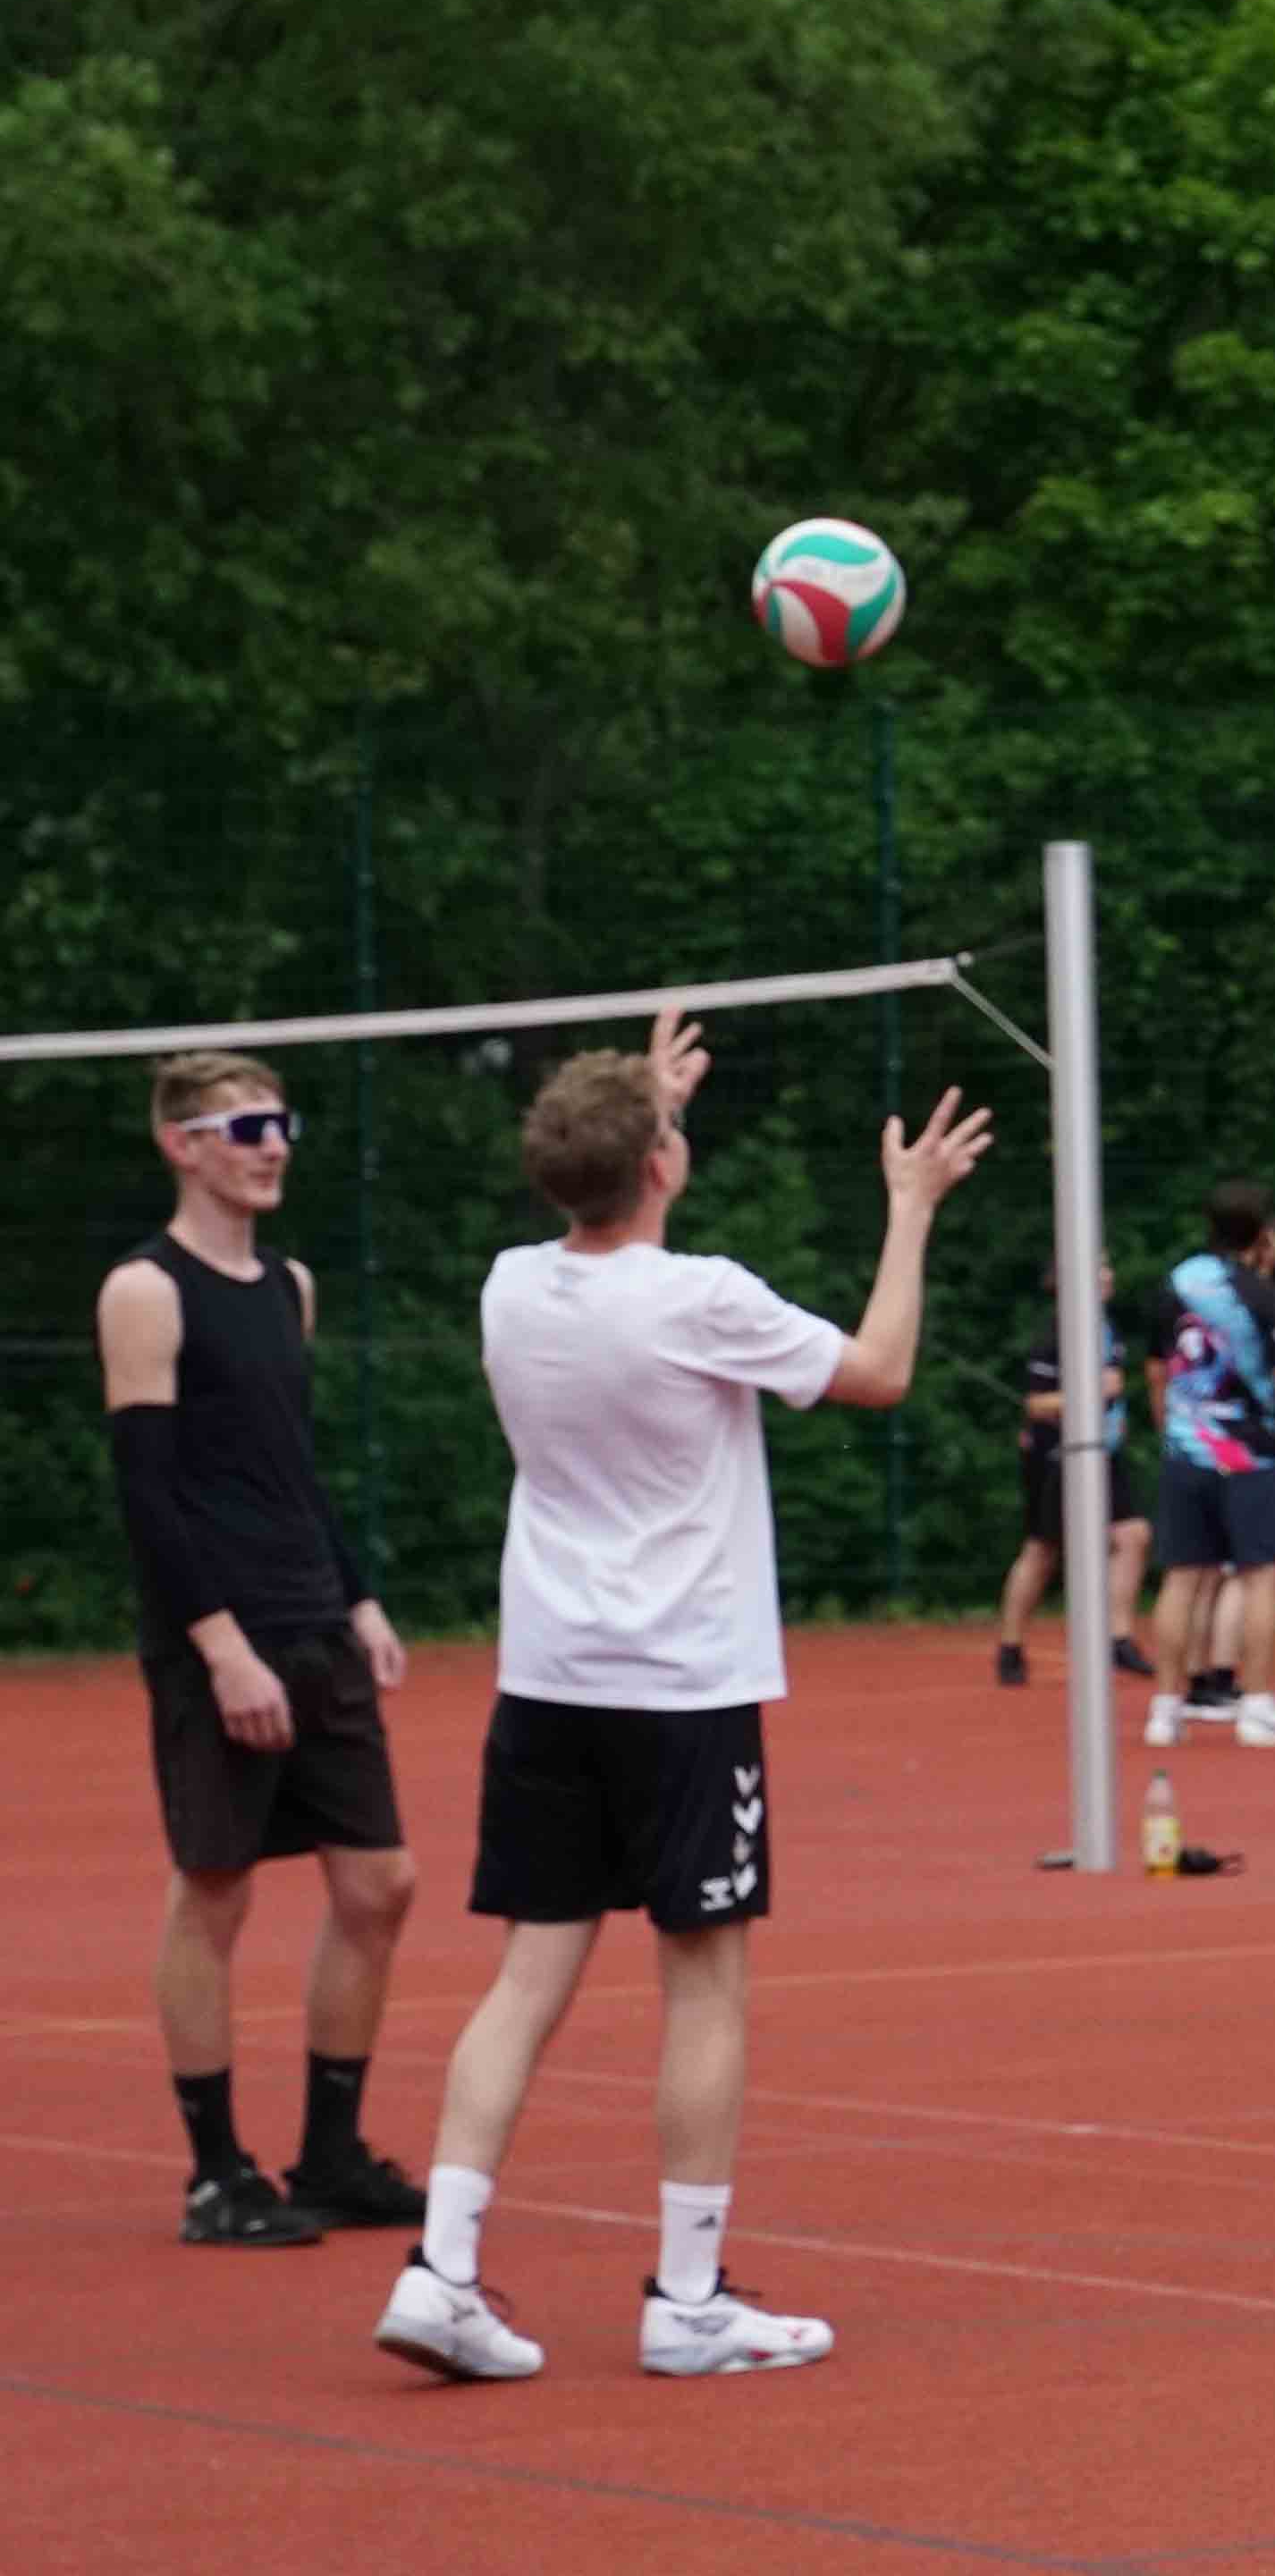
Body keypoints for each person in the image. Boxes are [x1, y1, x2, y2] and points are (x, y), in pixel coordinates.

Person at [371, 1013, 987, 2386]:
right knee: (703, 1976)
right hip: (681, 1684)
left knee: (531, 1968)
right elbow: (878, 1370)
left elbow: (594, 1187)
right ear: (663, 1160)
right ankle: (690, 2295)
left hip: (550, 1676)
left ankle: (444, 2265)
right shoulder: (700, 1294)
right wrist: (910, 1209)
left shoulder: (510, 1283)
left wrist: (630, 1104)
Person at [103, 1052, 425, 2249]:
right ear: (183, 1143)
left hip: (311, 1622)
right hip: (218, 1640)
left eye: (282, 1121)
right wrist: (220, 1646)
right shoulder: (144, 1289)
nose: (274, 1142)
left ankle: (330, 2155)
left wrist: (360, 1596)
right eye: (247, 1124)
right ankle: (215, 2173)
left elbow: (289, 1464)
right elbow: (151, 1492)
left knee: (380, 1881)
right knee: (217, 1887)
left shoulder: (289, 1284)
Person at [1141, 1182, 1275, 1747]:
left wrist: (1175, 1432)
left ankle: (1166, 1711)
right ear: (1265, 1232)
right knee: (1262, 1573)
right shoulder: (1267, 1299)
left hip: (1186, 1449)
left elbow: (1155, 1374)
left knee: (1182, 1578)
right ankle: (1258, 1706)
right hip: (1252, 1454)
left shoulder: (1174, 1287)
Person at [993, 1319, 1151, 1693]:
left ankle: (1118, 1638)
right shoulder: (1054, 1337)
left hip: (1103, 1452)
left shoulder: (1107, 1333)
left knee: (1133, 1535)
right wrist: (1089, 1393)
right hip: (1055, 1456)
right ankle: (1010, 1647)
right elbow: (1036, 1404)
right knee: (1042, 1551)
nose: (1107, 1273)